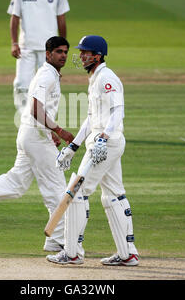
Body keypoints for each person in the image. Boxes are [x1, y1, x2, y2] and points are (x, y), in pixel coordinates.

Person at [0, 36, 74, 252]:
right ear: (48, 54)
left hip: (32, 134)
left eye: (65, 52)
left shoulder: (51, 75)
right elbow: (35, 108)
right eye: (58, 52)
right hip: (35, 137)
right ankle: (60, 240)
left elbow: (40, 111)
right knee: (56, 189)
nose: (63, 56)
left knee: (16, 184)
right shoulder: (46, 75)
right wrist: (59, 130)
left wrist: (51, 131)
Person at [46, 35, 139, 266]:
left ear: (97, 56)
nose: (80, 56)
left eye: (85, 52)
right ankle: (127, 254)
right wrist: (72, 147)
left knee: (76, 192)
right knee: (113, 194)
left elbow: (119, 111)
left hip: (105, 144)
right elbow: (91, 119)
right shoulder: (95, 79)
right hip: (102, 143)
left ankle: (72, 252)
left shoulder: (107, 78)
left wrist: (104, 139)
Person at [7, 0, 70, 118]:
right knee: (21, 84)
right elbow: (14, 17)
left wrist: (62, 48)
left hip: (49, 49)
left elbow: (61, 19)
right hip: (26, 46)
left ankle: (48, 119)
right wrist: (14, 43)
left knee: (50, 84)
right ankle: (24, 118)